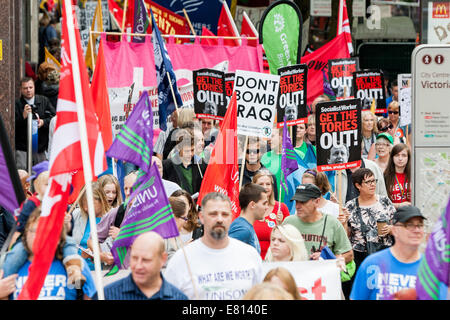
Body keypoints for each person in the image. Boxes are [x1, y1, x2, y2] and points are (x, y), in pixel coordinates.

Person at [164, 192, 263, 300]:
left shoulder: (249, 255)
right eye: (213, 214)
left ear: (231, 217)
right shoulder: (181, 259)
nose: (219, 219)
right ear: (201, 217)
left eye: (224, 214)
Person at [11, 209, 96, 300]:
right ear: (26, 234)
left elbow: (89, 296)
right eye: (35, 231)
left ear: (59, 237)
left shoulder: (77, 264)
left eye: (47, 231)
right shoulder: (12, 267)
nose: (39, 236)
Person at [350, 205, 426, 300]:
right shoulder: (372, 264)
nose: (416, 230)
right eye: (409, 225)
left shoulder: (431, 270)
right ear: (395, 230)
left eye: (420, 225)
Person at [94, 232, 188, 300]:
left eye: (146, 260)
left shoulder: (178, 297)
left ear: (163, 259)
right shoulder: (107, 295)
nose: (138, 266)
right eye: (134, 258)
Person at [283, 184, 354, 264]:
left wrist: (327, 258)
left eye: (303, 202)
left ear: (316, 202)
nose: (297, 206)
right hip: (295, 274)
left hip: (322, 275)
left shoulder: (332, 223)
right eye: (296, 201)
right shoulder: (288, 222)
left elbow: (349, 255)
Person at [345, 168, 396, 270]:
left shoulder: (384, 201)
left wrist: (391, 229)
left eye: (374, 181)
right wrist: (343, 222)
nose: (372, 184)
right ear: (358, 185)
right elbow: (347, 235)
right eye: (368, 182)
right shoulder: (350, 206)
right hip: (360, 256)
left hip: (384, 252)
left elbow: (399, 226)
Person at [15, 77, 56, 169]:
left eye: (30, 87)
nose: (28, 90)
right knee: (23, 174)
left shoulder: (44, 100)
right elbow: (13, 125)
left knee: (41, 175)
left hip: (40, 148)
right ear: (21, 89)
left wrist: (43, 122)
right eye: (25, 88)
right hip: (23, 148)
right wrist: (23, 116)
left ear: (34, 87)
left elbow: (54, 118)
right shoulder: (17, 104)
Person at [71, 182, 113, 269]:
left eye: (89, 205)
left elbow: (115, 252)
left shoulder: (113, 217)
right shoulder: (77, 214)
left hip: (102, 272)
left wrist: (94, 254)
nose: (85, 208)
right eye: (83, 205)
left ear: (101, 200)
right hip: (78, 269)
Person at [252, 170, 289, 259]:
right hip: (252, 260)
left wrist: (280, 225)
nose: (265, 187)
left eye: (268, 184)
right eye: (261, 184)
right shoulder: (249, 207)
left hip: (274, 261)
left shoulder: (281, 207)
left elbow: (289, 239)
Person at [162, 128, 207, 196]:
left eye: (192, 150)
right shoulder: (167, 166)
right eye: (186, 151)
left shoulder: (201, 165)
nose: (190, 154)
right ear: (178, 148)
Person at [228, 183, 269, 254]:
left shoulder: (245, 226)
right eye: (264, 203)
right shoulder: (242, 230)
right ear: (252, 205)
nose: (267, 207)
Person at [384, 143, 411, 209]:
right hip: (393, 215)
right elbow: (382, 203)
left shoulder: (414, 175)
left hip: (411, 214)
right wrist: (398, 205)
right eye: (397, 155)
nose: (400, 158)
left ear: (408, 158)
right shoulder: (385, 176)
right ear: (392, 157)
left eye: (404, 155)